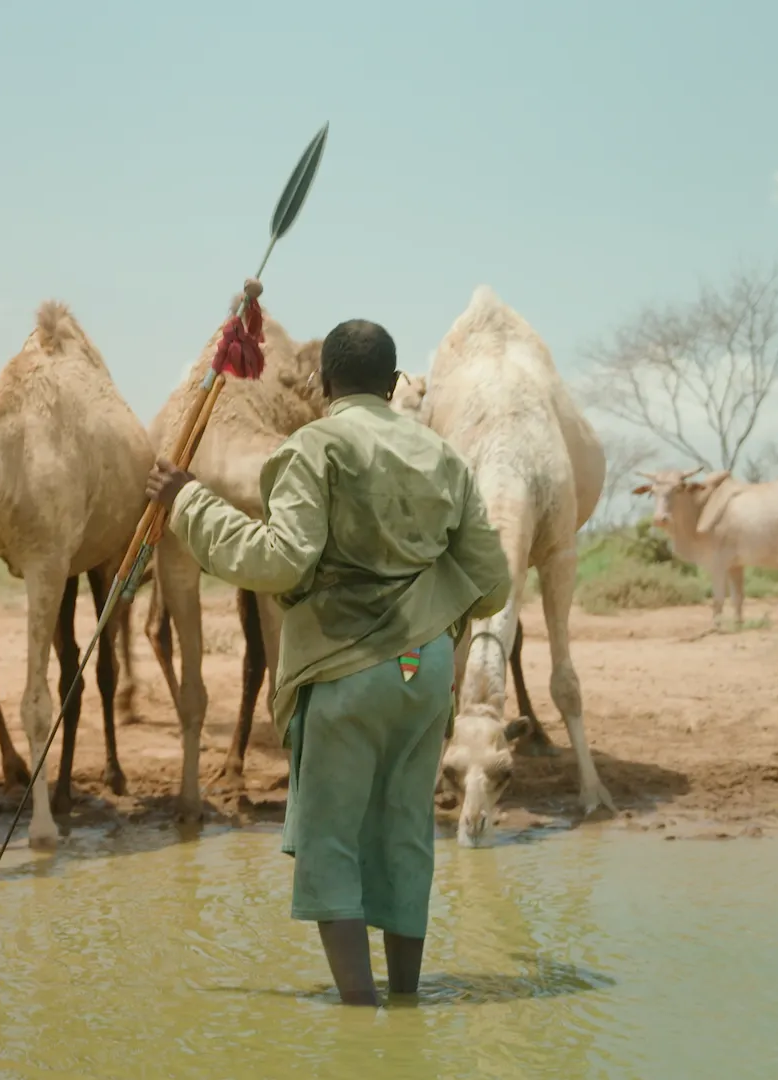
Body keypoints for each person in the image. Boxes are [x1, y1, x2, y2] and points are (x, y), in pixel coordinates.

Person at [146, 311, 510, 1007]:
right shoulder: (443, 457)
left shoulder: (313, 447)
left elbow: (277, 563)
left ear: (323, 382)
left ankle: (360, 1014)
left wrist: (188, 501)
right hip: (423, 674)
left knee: (329, 839)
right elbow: (491, 583)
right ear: (396, 381)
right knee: (406, 833)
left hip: (347, 673)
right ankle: (406, 1004)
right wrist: (428, 627)